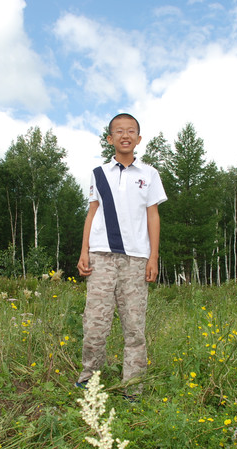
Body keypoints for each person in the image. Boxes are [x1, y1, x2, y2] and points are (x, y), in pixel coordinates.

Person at [75, 113, 167, 398]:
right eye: (119, 131)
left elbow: (153, 215)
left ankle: (133, 388)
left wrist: (153, 257)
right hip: (101, 256)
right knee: (94, 324)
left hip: (137, 259)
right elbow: (92, 213)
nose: (125, 136)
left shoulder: (149, 174)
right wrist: (84, 252)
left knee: (134, 327)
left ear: (138, 139)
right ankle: (90, 381)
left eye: (131, 131)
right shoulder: (98, 173)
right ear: (110, 138)